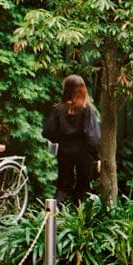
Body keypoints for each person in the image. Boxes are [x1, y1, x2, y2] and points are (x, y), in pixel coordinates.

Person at [43, 75, 101, 204]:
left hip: (64, 151)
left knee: (63, 186)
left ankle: (52, 215)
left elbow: (48, 131)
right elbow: (92, 136)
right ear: (83, 89)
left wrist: (62, 139)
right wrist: (97, 157)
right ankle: (78, 219)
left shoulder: (58, 109)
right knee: (83, 187)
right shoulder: (87, 109)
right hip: (84, 153)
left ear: (66, 89)